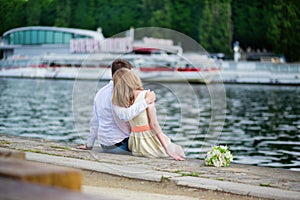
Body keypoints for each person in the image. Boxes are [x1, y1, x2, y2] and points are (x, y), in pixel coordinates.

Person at [77, 59, 156, 154]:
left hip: (105, 145)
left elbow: (95, 121)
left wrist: (89, 144)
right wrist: (146, 101)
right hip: (120, 145)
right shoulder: (119, 93)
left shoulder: (101, 92)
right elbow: (125, 115)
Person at [112, 68, 185, 161]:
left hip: (136, 146)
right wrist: (168, 150)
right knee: (179, 150)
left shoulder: (121, 101)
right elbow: (154, 125)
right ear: (132, 79)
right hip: (149, 144)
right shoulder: (147, 95)